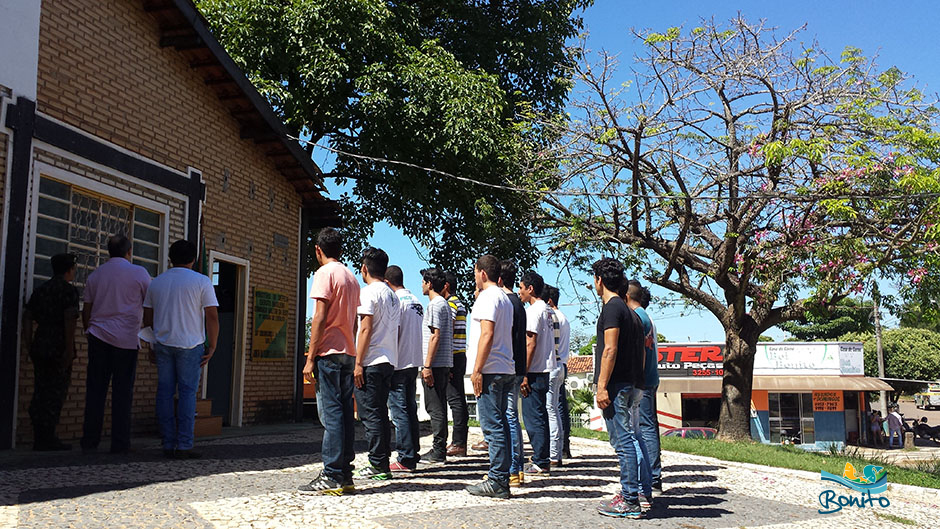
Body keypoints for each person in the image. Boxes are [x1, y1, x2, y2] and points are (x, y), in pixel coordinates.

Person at [143, 239, 218, 459]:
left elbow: (147, 317)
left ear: (170, 258)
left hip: (163, 343)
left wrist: (150, 343)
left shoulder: (156, 282)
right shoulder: (202, 281)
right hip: (191, 344)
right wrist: (212, 345)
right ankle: (184, 444)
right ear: (193, 260)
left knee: (164, 393)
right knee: (187, 394)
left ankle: (167, 442)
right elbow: (212, 316)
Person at [299, 228, 360, 495]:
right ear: (342, 250)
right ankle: (345, 473)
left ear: (318, 250)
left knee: (331, 414)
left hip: (330, 352)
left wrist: (310, 357)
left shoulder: (324, 273)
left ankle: (332, 474)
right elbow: (356, 319)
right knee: (346, 413)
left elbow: (320, 317)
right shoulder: (351, 277)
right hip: (348, 350)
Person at [81, 235, 152, 454]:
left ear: (108, 252)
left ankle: (89, 441)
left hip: (99, 336)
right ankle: (120, 443)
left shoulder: (96, 275)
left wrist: (88, 331)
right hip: (126, 340)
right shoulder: (139, 273)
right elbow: (149, 304)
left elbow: (87, 309)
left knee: (95, 391)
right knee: (122, 392)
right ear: (129, 252)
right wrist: (149, 335)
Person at [592, 258, 647, 519]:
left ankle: (630, 499)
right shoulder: (630, 312)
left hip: (617, 384)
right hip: (630, 382)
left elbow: (610, 349)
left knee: (623, 441)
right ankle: (630, 493)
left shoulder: (613, 309)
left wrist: (602, 386)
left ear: (599, 280)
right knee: (625, 439)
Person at [465, 255, 516, 499]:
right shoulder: (505, 298)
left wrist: (477, 369)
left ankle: (497, 480)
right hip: (505, 367)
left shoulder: (487, 297)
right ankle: (503, 476)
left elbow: (487, 334)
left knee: (493, 426)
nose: (474, 277)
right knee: (502, 425)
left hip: (490, 368)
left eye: (475, 272)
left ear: (483, 273)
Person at [22, 253, 80, 450]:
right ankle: (47, 436)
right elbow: (69, 320)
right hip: (58, 346)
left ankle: (40, 434)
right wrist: (69, 348)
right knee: (56, 392)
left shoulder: (41, 290)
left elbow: (28, 316)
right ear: (69, 270)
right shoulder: (69, 291)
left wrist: (29, 344)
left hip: (41, 344)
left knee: (40, 389)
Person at [353, 248, 399, 480]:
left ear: (364, 268)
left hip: (371, 361)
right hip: (389, 360)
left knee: (370, 415)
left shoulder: (368, 292)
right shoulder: (392, 295)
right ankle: (382, 461)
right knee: (381, 412)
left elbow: (365, 327)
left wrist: (358, 363)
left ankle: (378, 464)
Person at [385, 265, 422, 472]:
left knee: (399, 413)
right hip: (414, 360)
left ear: (388, 283)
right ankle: (413, 452)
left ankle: (406, 457)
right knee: (410, 410)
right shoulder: (416, 300)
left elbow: (395, 330)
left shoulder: (396, 301)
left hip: (399, 362)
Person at [518, 271, 555, 477]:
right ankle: (543, 457)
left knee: (534, 418)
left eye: (521, 287)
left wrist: (523, 373)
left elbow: (530, 342)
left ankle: (541, 460)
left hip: (534, 370)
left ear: (530, 289)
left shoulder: (533, 311)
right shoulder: (547, 310)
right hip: (545, 368)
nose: (519, 292)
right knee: (541, 415)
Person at [625, 280, 660, 498]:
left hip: (643, 380)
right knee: (647, 427)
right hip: (650, 377)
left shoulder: (637, 317)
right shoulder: (647, 317)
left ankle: (651, 479)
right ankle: (651, 479)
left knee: (642, 430)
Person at [419, 267, 453, 464]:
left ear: (430, 284)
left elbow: (435, 335)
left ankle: (438, 450)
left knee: (435, 407)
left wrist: (427, 366)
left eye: (424, 281)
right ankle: (439, 447)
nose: (422, 285)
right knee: (439, 404)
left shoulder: (435, 305)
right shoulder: (444, 305)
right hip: (443, 362)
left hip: (436, 364)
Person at [444, 271, 470, 458]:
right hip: (460, 353)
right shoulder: (460, 302)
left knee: (455, 400)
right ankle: (460, 440)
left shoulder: (451, 304)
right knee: (458, 398)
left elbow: (449, 328)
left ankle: (459, 442)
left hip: (453, 355)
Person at [544, 285, 571, 465]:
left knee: (551, 410)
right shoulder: (564, 318)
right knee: (557, 409)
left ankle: (554, 452)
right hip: (562, 363)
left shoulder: (553, 318)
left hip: (553, 364)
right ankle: (560, 448)